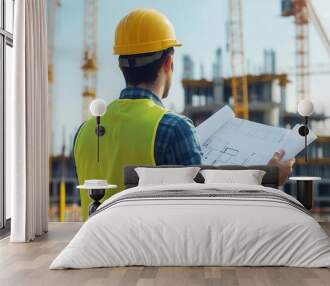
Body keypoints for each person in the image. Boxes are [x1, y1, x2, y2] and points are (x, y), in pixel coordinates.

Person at [73, 9, 295, 220]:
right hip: (153, 256)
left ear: (121, 65)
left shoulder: (84, 131)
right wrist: (270, 177)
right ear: (169, 62)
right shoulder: (173, 127)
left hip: (96, 252)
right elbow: (207, 208)